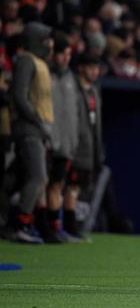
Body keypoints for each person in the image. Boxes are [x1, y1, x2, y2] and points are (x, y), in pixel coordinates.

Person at [9, 22, 54, 244]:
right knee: (37, 177)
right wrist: (36, 120)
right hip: (28, 127)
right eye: (45, 40)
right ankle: (21, 224)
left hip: (38, 128)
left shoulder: (40, 63)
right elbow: (19, 95)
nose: (49, 45)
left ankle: (20, 222)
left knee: (28, 177)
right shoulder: (27, 61)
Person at [64, 54, 103, 238]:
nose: (94, 72)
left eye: (96, 68)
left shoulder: (94, 92)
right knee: (68, 187)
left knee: (76, 188)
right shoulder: (72, 89)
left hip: (89, 149)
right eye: (90, 67)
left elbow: (96, 126)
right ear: (81, 68)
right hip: (73, 148)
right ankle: (66, 227)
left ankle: (70, 226)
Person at [46, 32, 80, 241]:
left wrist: (73, 140)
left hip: (66, 143)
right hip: (47, 139)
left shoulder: (70, 78)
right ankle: (43, 226)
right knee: (45, 184)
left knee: (58, 185)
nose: (66, 58)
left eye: (69, 54)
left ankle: (55, 228)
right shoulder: (45, 74)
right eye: (62, 54)